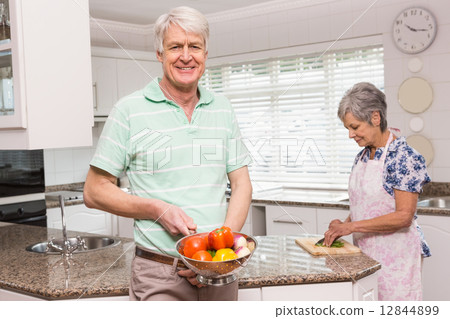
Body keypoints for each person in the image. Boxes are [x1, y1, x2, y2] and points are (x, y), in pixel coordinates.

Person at [83, 6, 252, 301]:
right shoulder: (129, 111)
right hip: (160, 273)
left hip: (220, 273)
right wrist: (156, 209)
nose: (186, 56)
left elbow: (241, 185)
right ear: (160, 54)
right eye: (175, 47)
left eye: (194, 47)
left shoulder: (223, 108)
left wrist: (214, 258)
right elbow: (94, 191)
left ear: (206, 54)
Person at [323, 82, 431, 301]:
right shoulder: (363, 156)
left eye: (355, 127)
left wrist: (350, 227)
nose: (350, 135)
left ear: (375, 118)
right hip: (365, 256)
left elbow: (403, 216)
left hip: (397, 259)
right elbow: (366, 204)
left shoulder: (404, 157)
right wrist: (342, 226)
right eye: (348, 129)